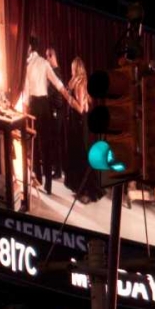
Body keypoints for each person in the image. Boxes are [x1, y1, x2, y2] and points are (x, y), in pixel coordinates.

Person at [23, 36, 75, 196]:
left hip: (33, 105)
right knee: (45, 145)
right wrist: (70, 99)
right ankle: (48, 186)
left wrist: (24, 113)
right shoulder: (44, 63)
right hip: (44, 105)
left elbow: (25, 93)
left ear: (30, 48)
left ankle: (38, 177)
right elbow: (58, 84)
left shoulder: (27, 66)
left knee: (35, 142)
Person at [62, 56, 102, 204]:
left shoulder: (80, 83)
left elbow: (80, 108)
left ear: (76, 68)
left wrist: (68, 98)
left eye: (72, 67)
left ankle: (86, 191)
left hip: (80, 124)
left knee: (82, 156)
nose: (71, 70)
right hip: (78, 124)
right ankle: (81, 189)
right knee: (79, 156)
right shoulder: (78, 82)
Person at [45, 48, 67, 180]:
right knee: (55, 141)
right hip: (56, 111)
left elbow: (51, 93)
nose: (46, 59)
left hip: (56, 112)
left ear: (52, 56)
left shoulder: (55, 73)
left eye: (47, 57)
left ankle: (57, 171)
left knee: (56, 141)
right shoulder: (55, 71)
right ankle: (57, 168)